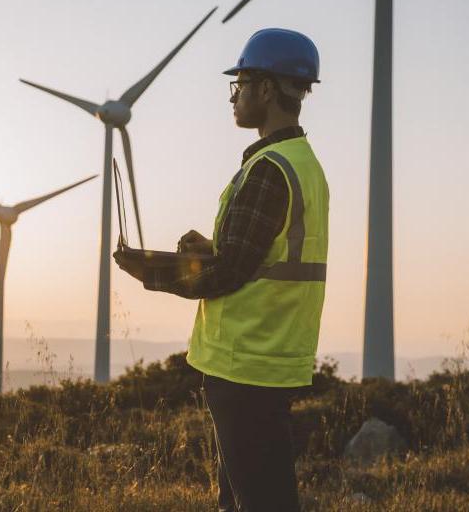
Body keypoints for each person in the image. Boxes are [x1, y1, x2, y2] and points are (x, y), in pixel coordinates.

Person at [114, 28, 329, 512]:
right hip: (272, 357)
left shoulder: (270, 168)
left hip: (245, 360)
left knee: (259, 502)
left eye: (241, 84)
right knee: (249, 498)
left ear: (267, 89)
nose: (234, 97)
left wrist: (150, 270)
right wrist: (213, 245)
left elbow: (230, 273)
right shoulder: (302, 164)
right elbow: (269, 254)